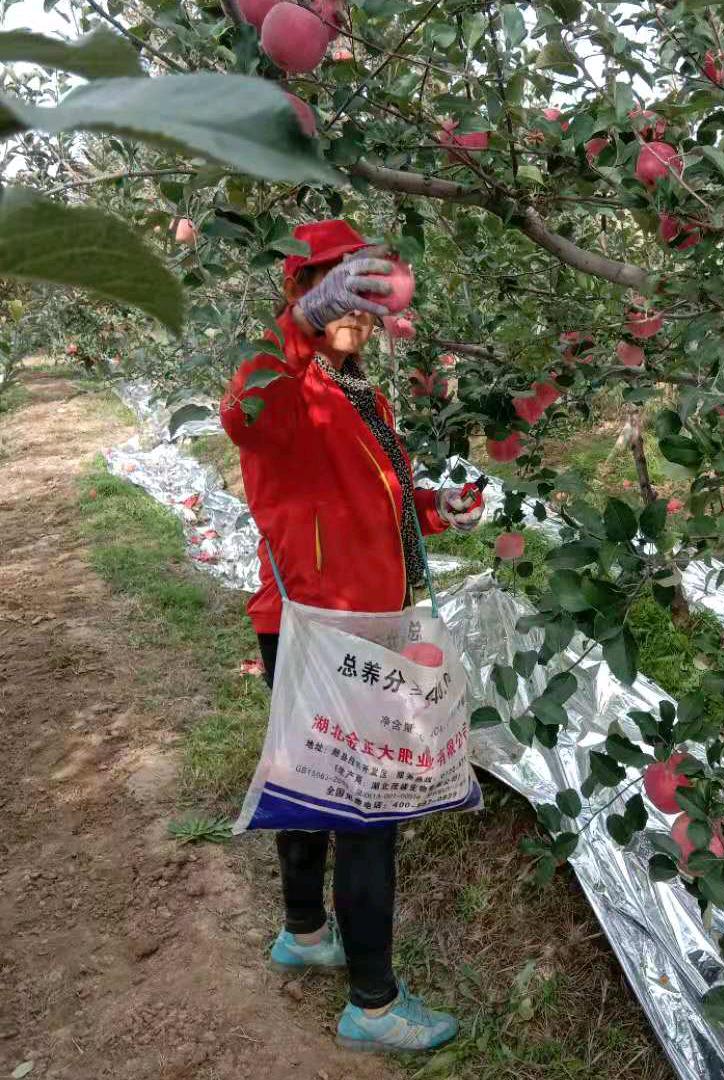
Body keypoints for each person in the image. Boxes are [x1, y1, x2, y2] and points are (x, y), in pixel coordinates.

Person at [220, 219, 483, 1054]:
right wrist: (297, 328)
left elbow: (378, 503)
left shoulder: (355, 390)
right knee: (368, 808)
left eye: (369, 299)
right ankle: (373, 1003)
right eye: (347, 296)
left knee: (305, 774)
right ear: (306, 295)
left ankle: (304, 932)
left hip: (357, 616)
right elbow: (241, 413)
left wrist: (440, 509)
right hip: (324, 621)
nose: (362, 315)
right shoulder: (287, 387)